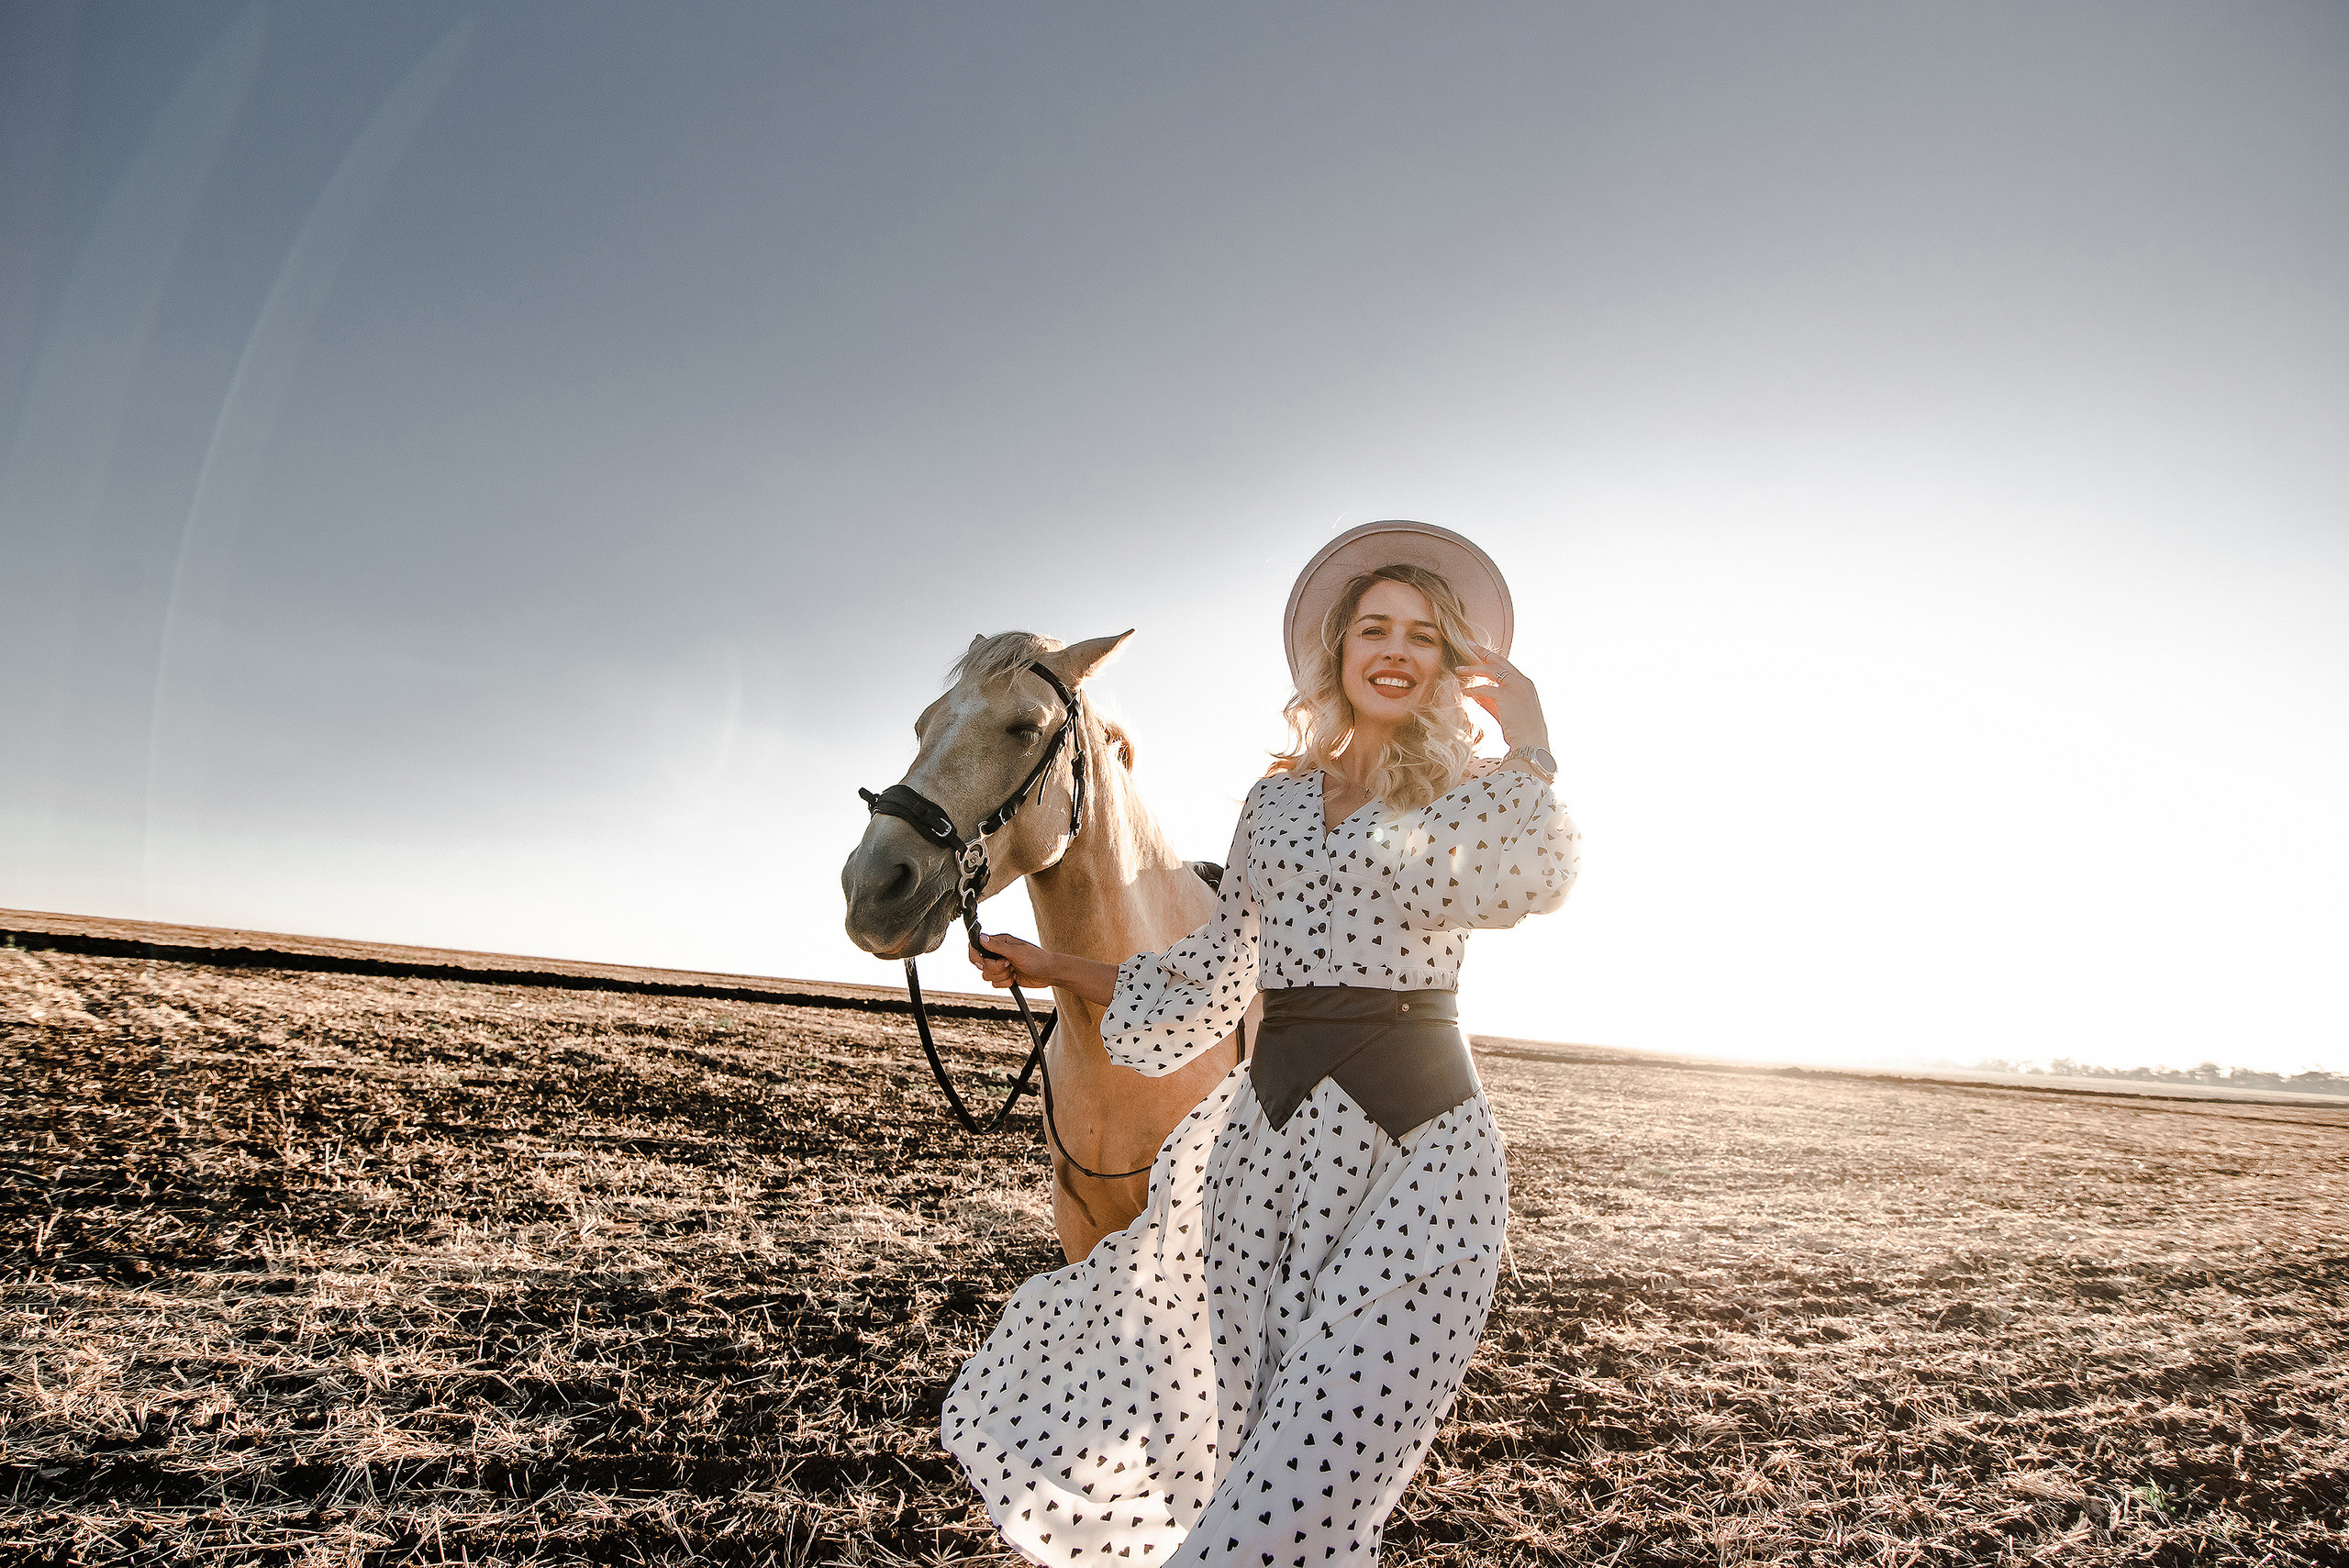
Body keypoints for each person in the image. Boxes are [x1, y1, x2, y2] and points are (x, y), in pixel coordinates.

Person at [946, 521, 1581, 1565]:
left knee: (1299, 1497)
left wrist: (1533, 744)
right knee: (1254, 1470)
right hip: (1264, 1170)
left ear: (1451, 663)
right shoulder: (1274, 804)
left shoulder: (1465, 794)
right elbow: (1211, 976)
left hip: (1418, 1163)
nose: (1395, 648)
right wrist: (1055, 965)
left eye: (1423, 635)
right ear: (1337, 649)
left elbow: (1535, 877)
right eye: (1374, 627)